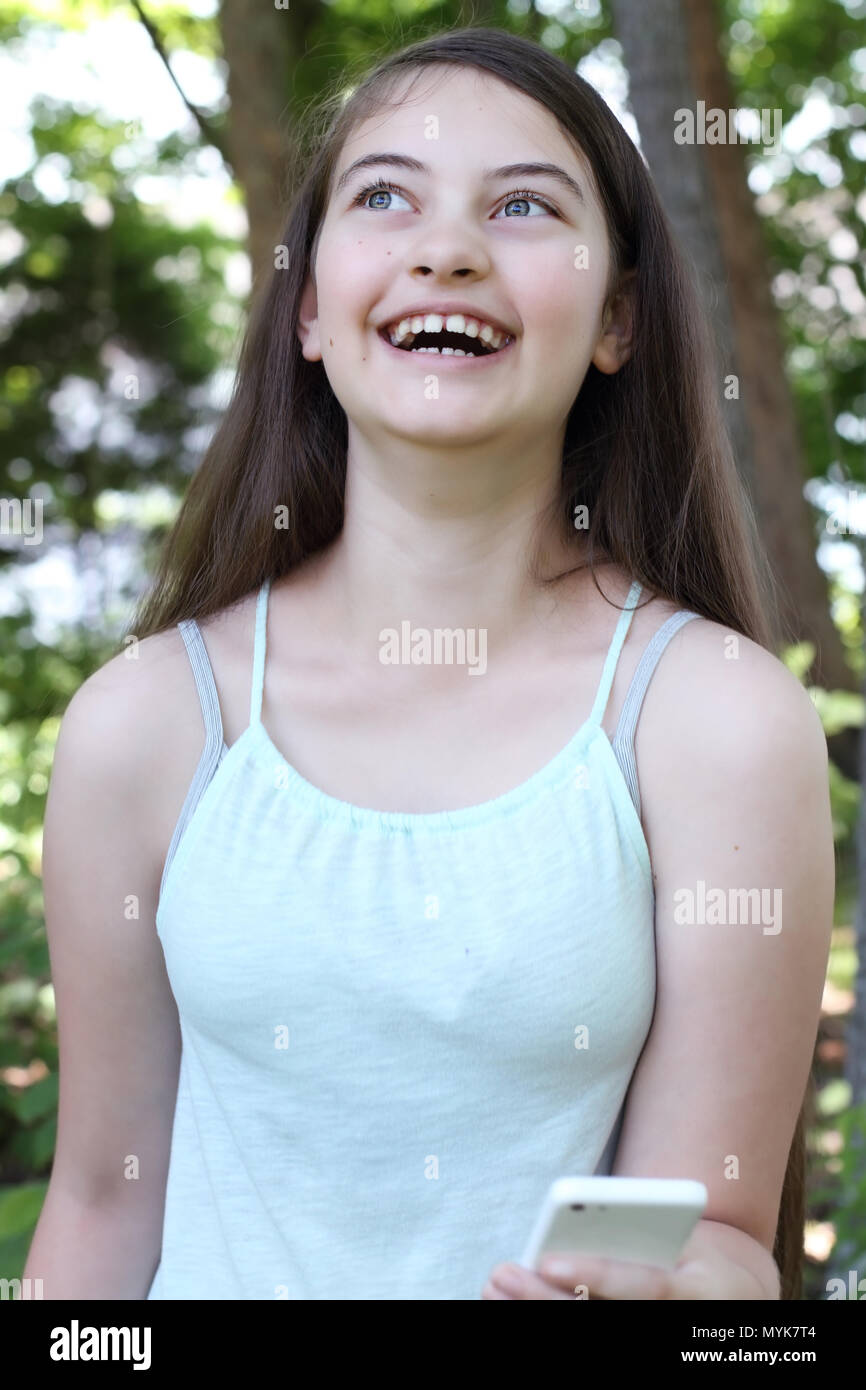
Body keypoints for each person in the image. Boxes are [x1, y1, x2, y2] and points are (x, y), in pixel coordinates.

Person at [27, 27, 834, 1301]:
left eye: (522, 206)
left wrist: (676, 1291)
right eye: (384, 195)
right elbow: (100, 1200)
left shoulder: (716, 720)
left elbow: (715, 1232)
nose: (444, 247)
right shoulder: (144, 721)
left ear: (617, 316)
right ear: (305, 307)